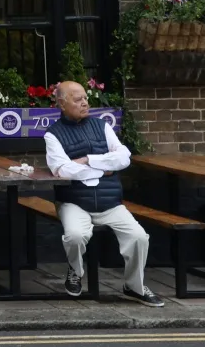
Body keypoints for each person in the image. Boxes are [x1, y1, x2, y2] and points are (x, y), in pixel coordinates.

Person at [43, 79, 163, 307]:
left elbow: (123, 157)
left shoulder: (102, 126)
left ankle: (134, 287)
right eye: (77, 99)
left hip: (110, 202)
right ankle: (75, 270)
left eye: (85, 98)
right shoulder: (52, 135)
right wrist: (104, 169)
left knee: (138, 237)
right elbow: (62, 169)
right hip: (74, 202)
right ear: (62, 104)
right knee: (75, 236)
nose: (84, 103)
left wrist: (88, 159)